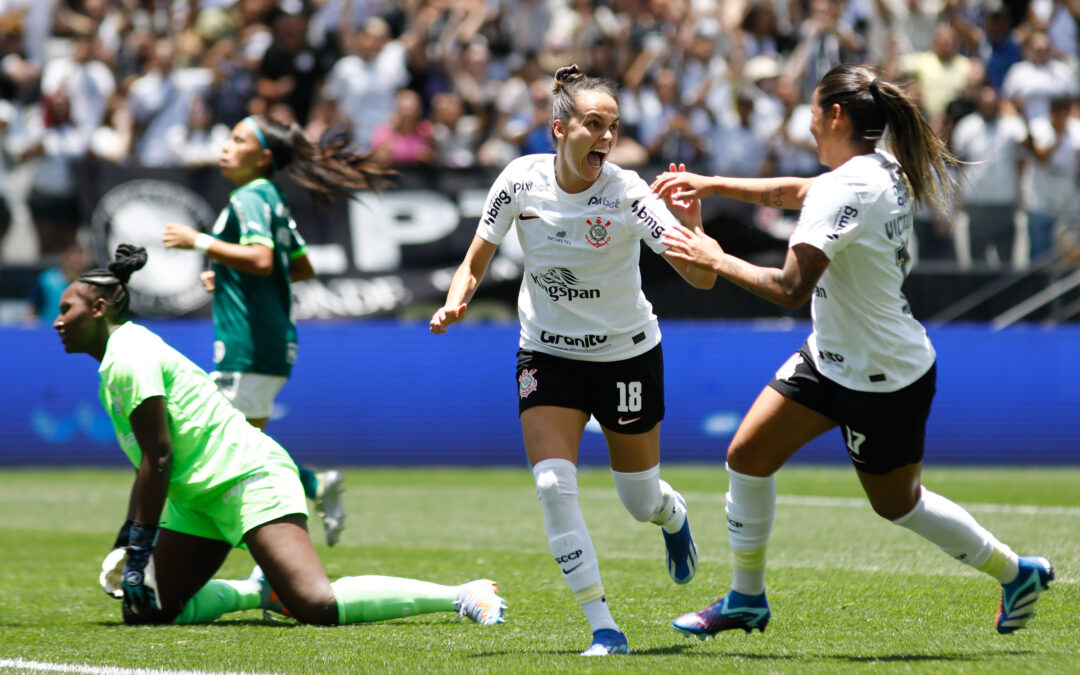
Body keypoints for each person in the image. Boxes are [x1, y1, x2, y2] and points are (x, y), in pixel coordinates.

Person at [650, 64, 1053, 639]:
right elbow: (795, 192)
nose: (808, 126)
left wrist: (714, 257)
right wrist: (713, 185)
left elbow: (790, 289)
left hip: (882, 375)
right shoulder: (874, 167)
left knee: (897, 504)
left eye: (813, 113)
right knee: (747, 455)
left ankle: (1016, 573)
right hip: (831, 356)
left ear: (835, 115)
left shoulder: (851, 185)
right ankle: (746, 598)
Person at [55, 244, 507, 628]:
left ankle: (462, 594)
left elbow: (159, 456)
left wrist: (139, 546)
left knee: (315, 604)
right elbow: (148, 466)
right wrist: (127, 541)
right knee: (148, 610)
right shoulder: (117, 360)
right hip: (197, 498)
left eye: (65, 309)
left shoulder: (129, 356)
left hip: (248, 477)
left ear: (98, 308)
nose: (58, 321)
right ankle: (259, 591)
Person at [429, 65, 717, 656]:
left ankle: (671, 513)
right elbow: (475, 259)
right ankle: (603, 627)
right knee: (553, 483)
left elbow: (700, 276)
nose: (607, 138)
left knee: (639, 499)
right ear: (559, 129)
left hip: (626, 357)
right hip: (546, 351)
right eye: (594, 124)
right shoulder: (519, 181)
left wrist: (692, 223)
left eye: (613, 126)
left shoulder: (630, 194)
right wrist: (456, 301)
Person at [162, 114, 388, 545]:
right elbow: (299, 266)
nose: (226, 146)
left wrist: (200, 242)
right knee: (248, 446)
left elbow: (264, 260)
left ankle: (273, 541)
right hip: (271, 341)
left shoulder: (249, 197)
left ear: (263, 156)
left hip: (247, 343)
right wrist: (229, 275)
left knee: (220, 446)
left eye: (238, 139)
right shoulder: (271, 196)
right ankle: (312, 490)